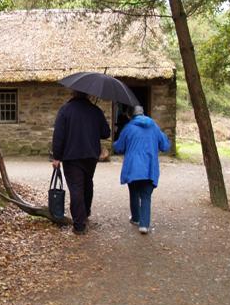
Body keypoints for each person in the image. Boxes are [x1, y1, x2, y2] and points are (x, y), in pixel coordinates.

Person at [51, 90, 110, 234]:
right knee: (87, 182)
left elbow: (59, 135)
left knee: (76, 188)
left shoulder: (65, 110)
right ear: (88, 95)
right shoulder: (95, 111)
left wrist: (57, 157)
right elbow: (106, 133)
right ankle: (86, 212)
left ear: (73, 93)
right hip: (91, 155)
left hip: (71, 156)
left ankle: (79, 225)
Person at [113, 105, 170, 234]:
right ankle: (144, 225)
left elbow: (119, 147)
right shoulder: (154, 126)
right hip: (150, 167)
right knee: (146, 196)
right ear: (143, 113)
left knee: (134, 192)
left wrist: (115, 144)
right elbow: (165, 146)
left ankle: (136, 218)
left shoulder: (128, 128)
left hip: (133, 167)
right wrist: (165, 138)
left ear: (131, 115)